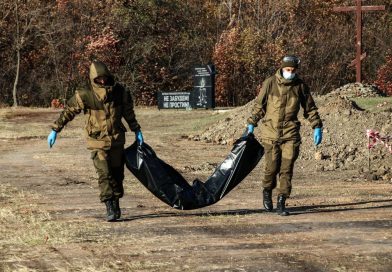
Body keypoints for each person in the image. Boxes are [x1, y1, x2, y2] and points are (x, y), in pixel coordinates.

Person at [47, 61, 144, 222]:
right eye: (99, 79)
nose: (103, 81)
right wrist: (55, 130)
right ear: (93, 79)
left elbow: (128, 113)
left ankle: (116, 200)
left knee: (117, 175)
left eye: (105, 78)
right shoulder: (85, 94)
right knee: (104, 174)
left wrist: (137, 130)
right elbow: (69, 111)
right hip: (96, 140)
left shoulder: (120, 92)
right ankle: (109, 205)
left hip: (116, 141)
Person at [246, 55, 323, 216]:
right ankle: (267, 191)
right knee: (271, 168)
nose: (291, 72)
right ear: (282, 68)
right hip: (270, 133)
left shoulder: (300, 86)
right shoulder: (270, 83)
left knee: (286, 169)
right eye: (288, 70)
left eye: (293, 70)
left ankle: (282, 201)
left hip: (290, 134)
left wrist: (317, 126)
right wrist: (252, 123)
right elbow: (259, 106)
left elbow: (310, 109)